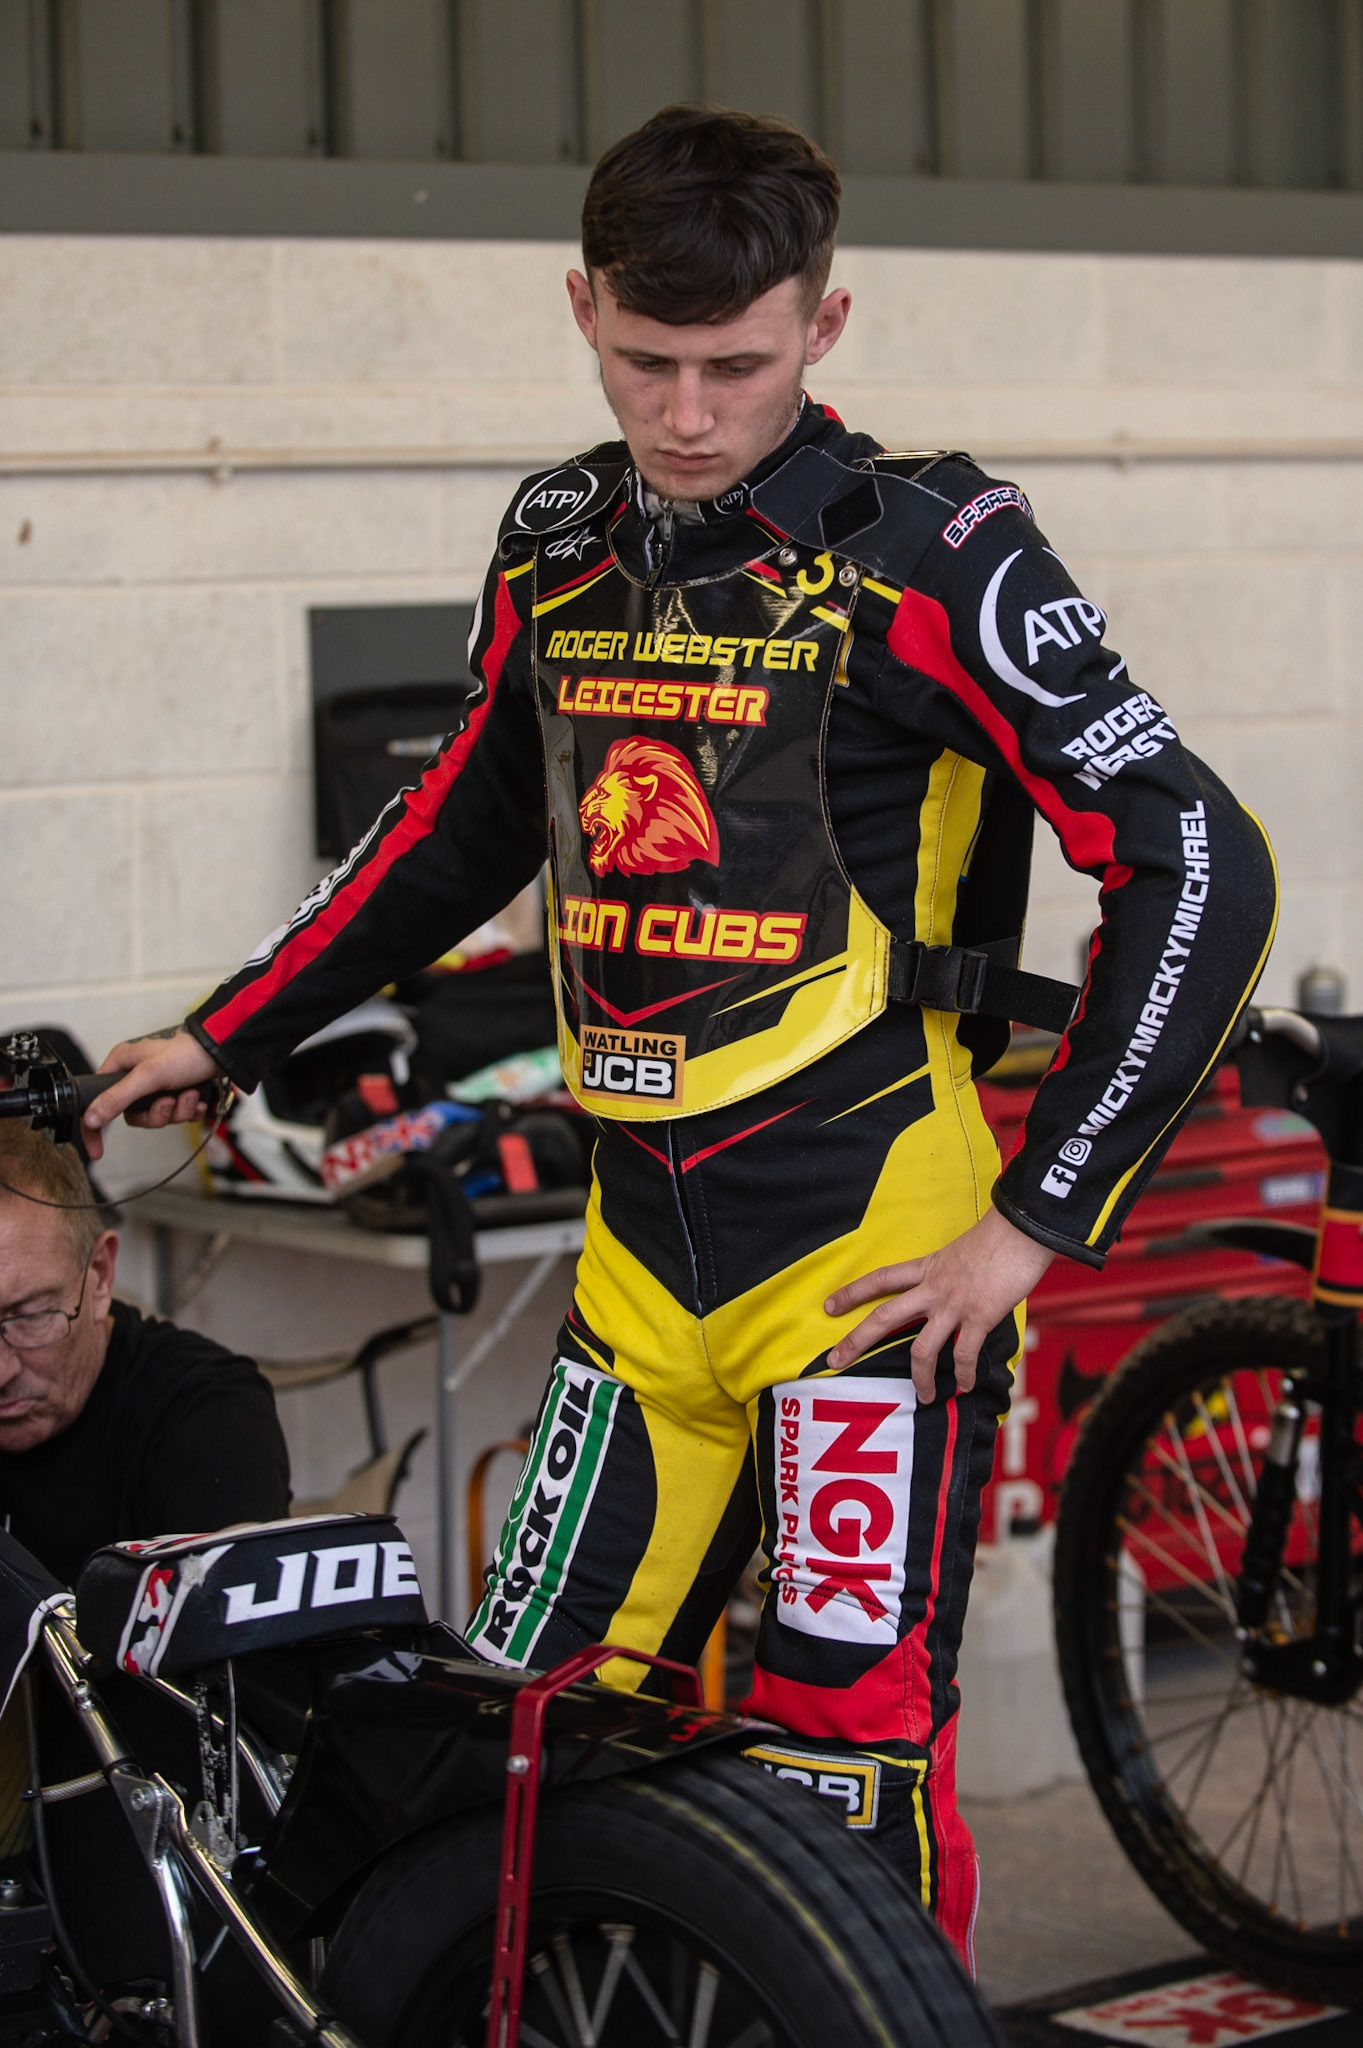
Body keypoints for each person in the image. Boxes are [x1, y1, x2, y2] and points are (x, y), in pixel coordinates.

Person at [85, 106, 1278, 1968]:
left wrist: (1041, 1215)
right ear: (578, 307)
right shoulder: (558, 538)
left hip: (872, 1281)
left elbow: (1197, 856)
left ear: (828, 321)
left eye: (738, 361)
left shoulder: (938, 548)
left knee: (837, 1773)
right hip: (638, 1279)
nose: (690, 410)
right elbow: (456, 824)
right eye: (645, 360)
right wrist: (231, 1030)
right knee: (525, 1736)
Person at [0, 1119, 290, 2011]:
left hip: (132, 1849)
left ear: (98, 1273)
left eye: (28, 1316)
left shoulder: (202, 1414)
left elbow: (222, 1706)